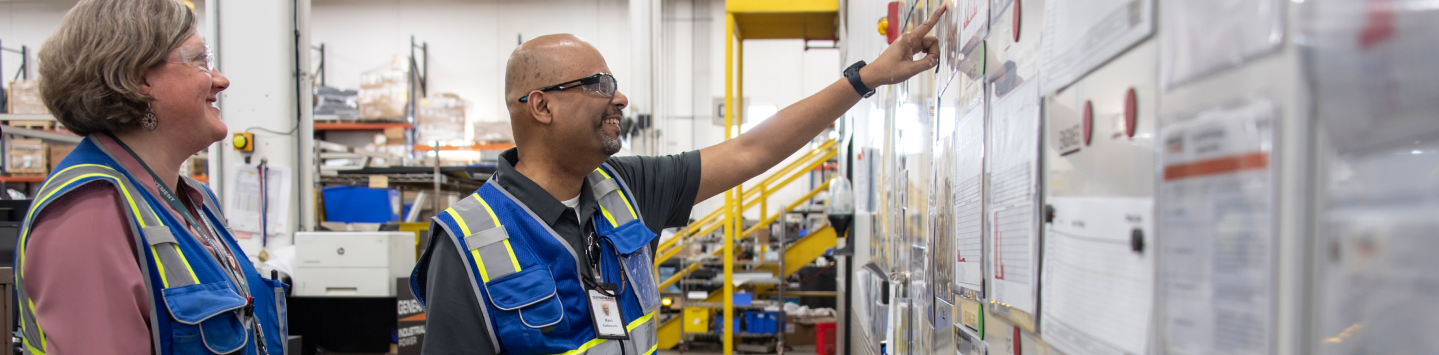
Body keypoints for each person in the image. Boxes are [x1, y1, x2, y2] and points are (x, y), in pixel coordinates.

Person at [411, 5, 947, 355]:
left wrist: (865, 78)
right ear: (541, 106)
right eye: (597, 84)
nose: (619, 97)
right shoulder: (465, 244)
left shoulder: (625, 187)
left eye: (615, 83)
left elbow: (751, 147)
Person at [14, 0, 288, 354]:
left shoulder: (196, 202)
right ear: (139, 77)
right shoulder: (90, 213)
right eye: (200, 61)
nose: (221, 80)